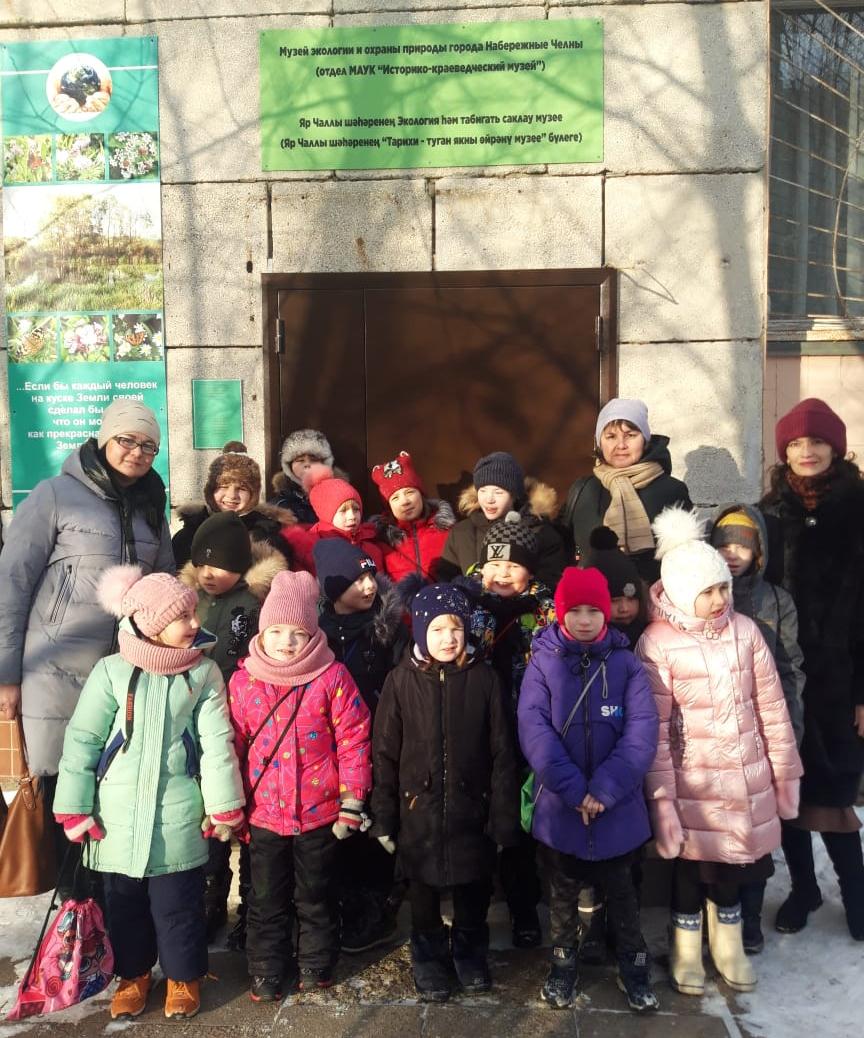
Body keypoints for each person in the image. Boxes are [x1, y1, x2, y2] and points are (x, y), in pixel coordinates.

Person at [52, 565, 246, 1021]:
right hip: (116, 818)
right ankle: (133, 974)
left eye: (194, 613)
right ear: (152, 625)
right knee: (125, 907)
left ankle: (184, 976)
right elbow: (83, 739)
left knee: (179, 907)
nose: (195, 623)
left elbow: (216, 743)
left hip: (177, 815)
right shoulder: (111, 672)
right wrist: (75, 807)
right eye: (183, 617)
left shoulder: (202, 674)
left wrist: (222, 806)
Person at [0, 399, 174, 881]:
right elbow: (11, 583)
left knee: (113, 793)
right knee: (66, 798)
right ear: (104, 438)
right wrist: (6, 675)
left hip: (125, 675)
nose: (137, 452)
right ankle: (74, 913)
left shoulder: (151, 506)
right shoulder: (54, 495)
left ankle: (107, 907)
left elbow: (165, 582)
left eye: (149, 446)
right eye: (127, 440)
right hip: (55, 673)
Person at [636, 507, 802, 995]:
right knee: (691, 869)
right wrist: (662, 799)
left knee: (733, 864)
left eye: (722, 589)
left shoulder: (745, 632)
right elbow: (653, 728)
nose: (718, 600)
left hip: (744, 777)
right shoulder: (657, 643)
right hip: (694, 779)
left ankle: (727, 943)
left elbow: (772, 706)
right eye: (706, 591)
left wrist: (784, 772)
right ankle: (686, 946)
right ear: (682, 591)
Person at [518, 566, 660, 1013]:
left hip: (617, 807)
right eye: (574, 611)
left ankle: (634, 967)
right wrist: (575, 790)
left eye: (593, 611)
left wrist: (604, 789)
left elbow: (641, 733)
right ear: (560, 613)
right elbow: (534, 729)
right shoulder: (542, 663)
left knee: (624, 895)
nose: (584, 620)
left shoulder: (626, 664)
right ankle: (563, 966)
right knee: (561, 896)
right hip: (562, 807)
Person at [370, 584, 520, 1002]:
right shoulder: (401, 681)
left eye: (455, 628)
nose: (448, 638)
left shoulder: (484, 679)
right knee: (422, 892)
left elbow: (503, 752)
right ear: (421, 631)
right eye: (437, 629)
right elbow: (384, 753)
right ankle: (429, 955)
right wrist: (384, 815)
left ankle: (470, 952)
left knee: (474, 887)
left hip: (473, 809)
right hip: (418, 811)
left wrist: (503, 816)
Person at [228, 570, 371, 1003]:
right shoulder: (244, 681)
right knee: (265, 898)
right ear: (262, 632)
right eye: (276, 631)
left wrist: (352, 800)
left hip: (319, 813)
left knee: (316, 895)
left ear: (312, 634)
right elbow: (231, 747)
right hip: (264, 815)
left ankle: (315, 962)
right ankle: (266, 967)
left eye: (297, 633)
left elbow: (354, 739)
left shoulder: (332, 677)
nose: (286, 642)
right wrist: (228, 805)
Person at [759, 398, 864, 941]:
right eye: (796, 443)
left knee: (837, 795)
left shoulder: (859, 509)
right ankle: (804, 889)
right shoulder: (769, 514)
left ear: (835, 448)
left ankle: (857, 894)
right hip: (782, 679)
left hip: (842, 681)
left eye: (817, 441)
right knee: (788, 793)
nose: (806, 451)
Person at [179, 510, 287, 943]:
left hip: (242, 718)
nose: (209, 573)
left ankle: (250, 907)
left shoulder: (254, 603)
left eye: (220, 565)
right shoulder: (188, 599)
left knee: (240, 811)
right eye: (202, 563)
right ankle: (209, 894)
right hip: (192, 716)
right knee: (205, 813)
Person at [709, 504, 806, 953]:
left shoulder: (777, 601)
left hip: (761, 733)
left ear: (759, 552)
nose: (732, 554)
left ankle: (750, 919)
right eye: (724, 546)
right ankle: (716, 916)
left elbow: (790, 669)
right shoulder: (703, 595)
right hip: (714, 734)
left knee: (757, 832)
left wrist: (791, 733)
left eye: (742, 547)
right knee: (716, 832)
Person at [462, 512, 556, 949]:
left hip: (525, 731)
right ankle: (473, 914)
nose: (501, 573)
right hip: (479, 731)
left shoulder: (545, 610)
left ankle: (524, 909)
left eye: (512, 565)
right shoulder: (468, 605)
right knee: (480, 821)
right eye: (494, 564)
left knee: (520, 824)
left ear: (529, 571)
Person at [315, 538, 409, 954]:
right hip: (326, 749)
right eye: (358, 579)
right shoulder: (315, 633)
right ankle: (344, 905)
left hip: (378, 742)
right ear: (334, 588)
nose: (370, 585)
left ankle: (377, 908)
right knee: (340, 831)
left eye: (371, 575)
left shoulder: (388, 630)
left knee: (374, 828)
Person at [571, 525, 650, 963]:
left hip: (629, 767)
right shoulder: (582, 649)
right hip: (586, 766)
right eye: (613, 600)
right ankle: (592, 927)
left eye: (629, 599)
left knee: (627, 855)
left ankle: (625, 928)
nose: (623, 609)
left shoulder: (648, 639)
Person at [562, 399, 692, 583]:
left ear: (645, 440)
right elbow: (565, 548)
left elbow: (688, 558)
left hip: (650, 597)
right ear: (599, 442)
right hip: (591, 597)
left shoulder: (671, 491)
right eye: (611, 437)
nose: (621, 445)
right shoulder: (584, 489)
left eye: (630, 435)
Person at [437, 451, 568, 589]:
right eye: (483, 491)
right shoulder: (461, 533)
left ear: (514, 495)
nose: (489, 499)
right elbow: (446, 581)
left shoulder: (541, 533)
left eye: (498, 492)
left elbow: (551, 582)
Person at [172, 442, 296, 567]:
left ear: (253, 494)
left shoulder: (268, 536)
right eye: (223, 486)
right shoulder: (189, 534)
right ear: (211, 491)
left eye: (242, 488)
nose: (232, 495)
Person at [280, 465, 385, 573]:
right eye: (343, 510)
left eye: (356, 509)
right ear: (326, 514)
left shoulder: (372, 546)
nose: (352, 516)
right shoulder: (310, 550)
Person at [370, 450, 455, 584]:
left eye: (409, 492)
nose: (405, 501)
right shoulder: (381, 542)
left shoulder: (448, 530)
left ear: (421, 494)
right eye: (395, 498)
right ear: (389, 506)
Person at [269, 428, 335, 526]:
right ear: (289, 467)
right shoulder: (278, 507)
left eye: (314, 460)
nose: (307, 464)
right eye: (300, 460)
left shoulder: (338, 498)